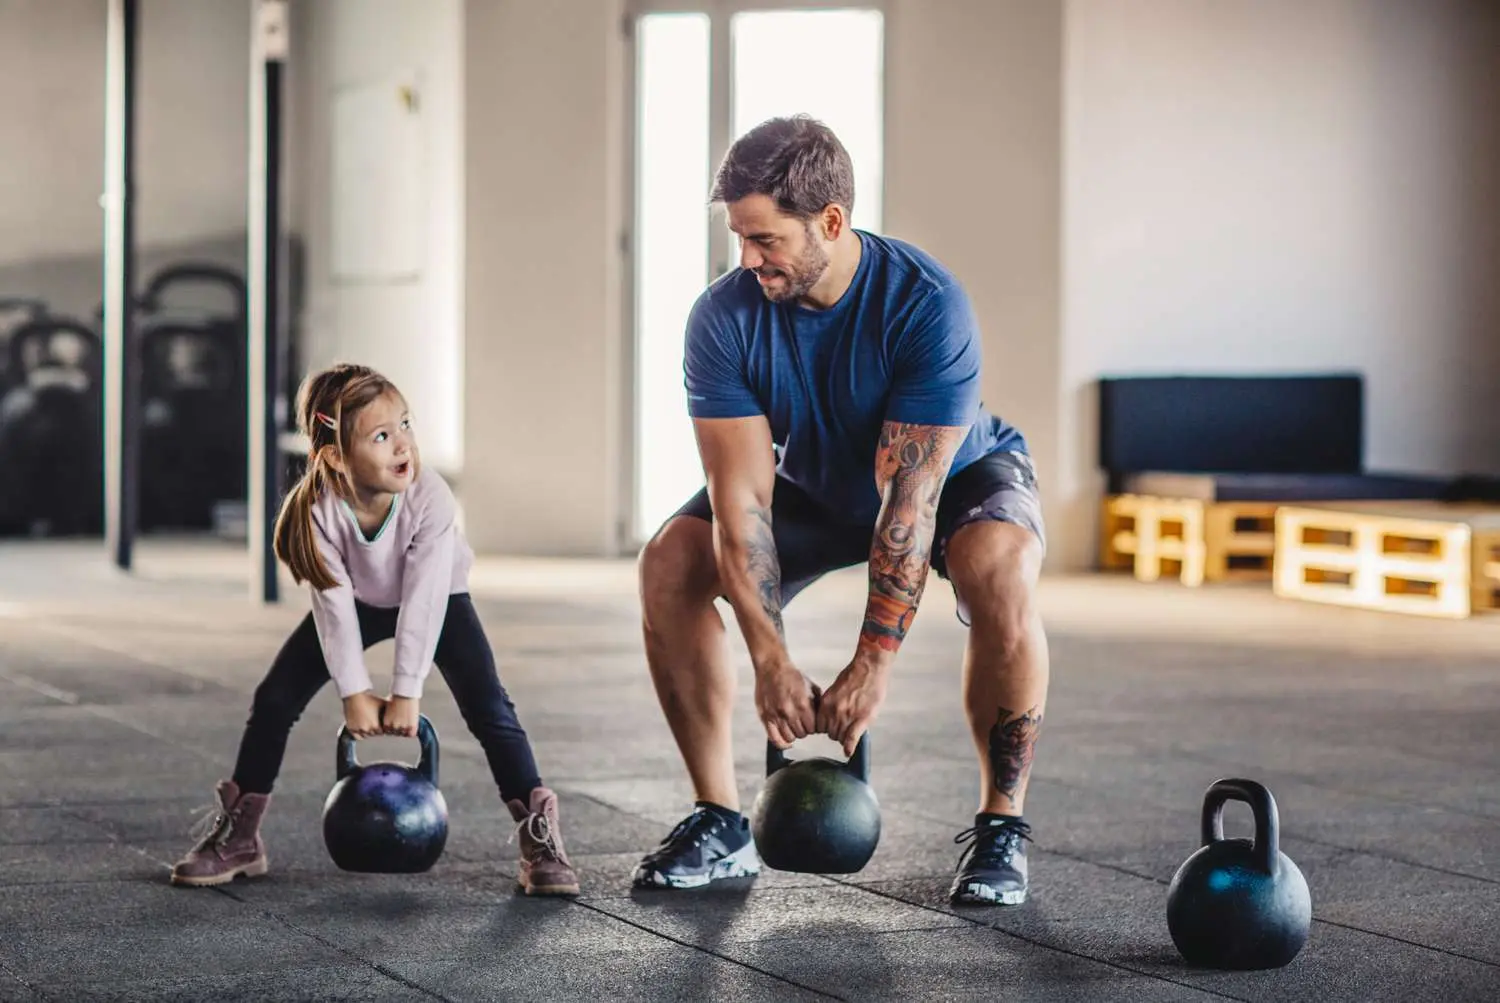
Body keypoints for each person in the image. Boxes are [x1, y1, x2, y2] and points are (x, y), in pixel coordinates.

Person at [631, 115, 1049, 906]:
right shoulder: (723, 318)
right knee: (669, 562)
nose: (748, 258)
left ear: (830, 221)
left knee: (998, 568)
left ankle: (1002, 828)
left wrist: (873, 663)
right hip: (818, 482)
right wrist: (770, 658)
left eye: (765, 239)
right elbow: (741, 501)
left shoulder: (925, 305)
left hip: (951, 476)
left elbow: (909, 502)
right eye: (739, 239)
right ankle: (721, 821)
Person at [169, 363, 580, 897]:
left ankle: (539, 838)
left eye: (405, 425)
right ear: (336, 456)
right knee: (274, 699)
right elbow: (333, 605)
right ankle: (240, 837)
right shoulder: (317, 510)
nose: (402, 445)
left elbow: (425, 599)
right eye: (381, 436)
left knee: (490, 707)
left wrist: (405, 691)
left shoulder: (431, 498)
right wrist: (354, 692)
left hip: (439, 598)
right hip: (360, 601)